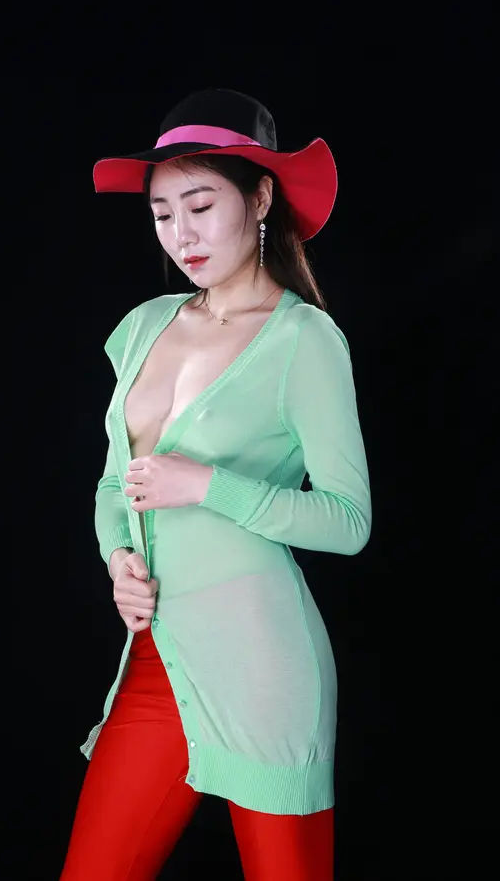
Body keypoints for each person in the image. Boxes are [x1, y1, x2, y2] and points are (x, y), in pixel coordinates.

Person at [60, 88, 372, 881]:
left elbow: (348, 522)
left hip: (265, 668)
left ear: (260, 198)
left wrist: (210, 486)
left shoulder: (305, 340)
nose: (182, 234)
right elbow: (115, 483)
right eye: (163, 213)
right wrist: (118, 559)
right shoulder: (144, 326)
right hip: (156, 663)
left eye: (201, 206)